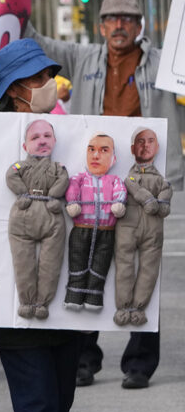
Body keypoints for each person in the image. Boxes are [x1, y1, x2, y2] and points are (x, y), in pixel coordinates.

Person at [5, 0, 179, 390]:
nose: (119, 25)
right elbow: (36, 41)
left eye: (127, 19)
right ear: (100, 27)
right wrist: (15, 7)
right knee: (85, 263)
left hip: (145, 181)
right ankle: (85, 359)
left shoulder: (163, 64)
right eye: (111, 19)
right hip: (91, 179)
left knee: (142, 268)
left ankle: (139, 363)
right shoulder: (82, 58)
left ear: (140, 25)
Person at [0, 37, 79, 412]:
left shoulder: (68, 128)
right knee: (37, 396)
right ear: (20, 88)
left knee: (61, 394)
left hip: (65, 289)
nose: (51, 85)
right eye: (43, 78)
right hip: (10, 295)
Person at [113, 128, 171, 389]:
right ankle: (83, 357)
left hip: (147, 203)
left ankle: (140, 362)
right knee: (95, 268)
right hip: (100, 154)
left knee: (148, 275)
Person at [6, 118, 69, 320]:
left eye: (47, 136)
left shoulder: (59, 168)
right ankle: (27, 301)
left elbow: (64, 180)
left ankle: (43, 302)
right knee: (22, 262)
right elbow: (10, 176)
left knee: (51, 263)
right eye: (35, 137)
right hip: (23, 215)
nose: (42, 141)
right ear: (25, 146)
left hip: (51, 217)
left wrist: (53, 195)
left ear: (55, 140)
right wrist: (23, 192)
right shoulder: (20, 166)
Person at [63, 133, 126, 311]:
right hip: (81, 229)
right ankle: (74, 295)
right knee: (77, 262)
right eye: (92, 150)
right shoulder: (79, 178)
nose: (96, 155)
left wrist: (119, 203)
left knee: (101, 263)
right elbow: (72, 188)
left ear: (113, 159)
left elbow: (120, 191)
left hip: (107, 230)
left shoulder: (114, 180)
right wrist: (72, 202)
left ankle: (94, 297)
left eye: (103, 151)